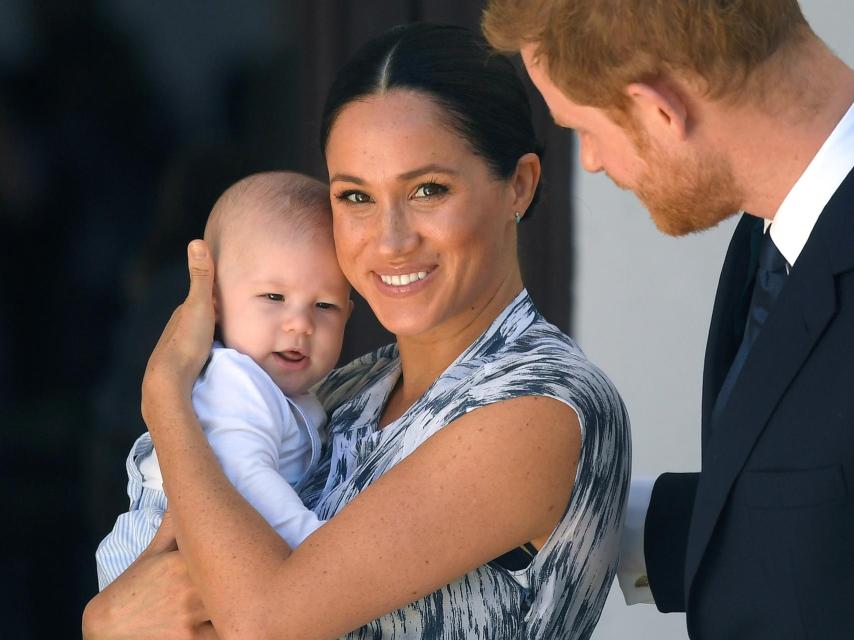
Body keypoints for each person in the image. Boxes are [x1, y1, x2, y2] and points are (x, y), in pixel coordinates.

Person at [82, 23, 630, 640]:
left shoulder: (540, 405)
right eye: (356, 197)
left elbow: (263, 620)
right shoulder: (345, 389)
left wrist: (166, 396)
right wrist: (104, 620)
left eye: (428, 190)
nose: (391, 241)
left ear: (519, 187)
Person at [483, 1, 854, 638]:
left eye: (582, 130)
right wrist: (574, 512)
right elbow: (818, 526)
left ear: (660, 110)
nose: (592, 161)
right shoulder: (775, 231)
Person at [95, 171, 352, 588]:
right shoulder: (235, 381)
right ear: (213, 302)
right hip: (165, 551)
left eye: (325, 306)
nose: (300, 324)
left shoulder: (294, 393)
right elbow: (246, 477)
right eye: (274, 297)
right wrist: (314, 547)